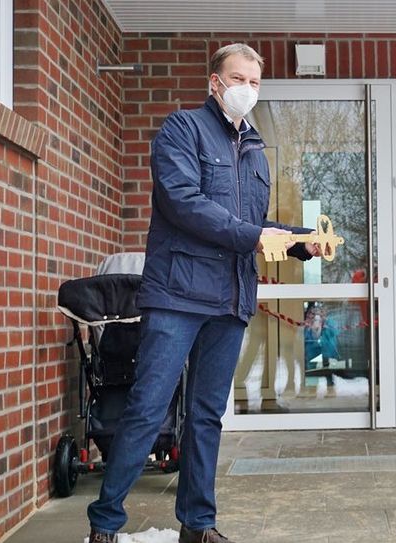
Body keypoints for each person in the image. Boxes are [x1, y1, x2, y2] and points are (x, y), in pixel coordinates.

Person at [87, 43, 320, 543]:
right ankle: (105, 521)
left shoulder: (255, 149)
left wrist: (300, 242)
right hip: (177, 295)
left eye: (255, 83)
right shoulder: (181, 130)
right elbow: (183, 203)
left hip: (230, 299)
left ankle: (198, 524)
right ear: (215, 81)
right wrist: (253, 236)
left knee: (206, 415)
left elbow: (252, 225)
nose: (247, 90)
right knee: (149, 406)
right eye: (238, 79)